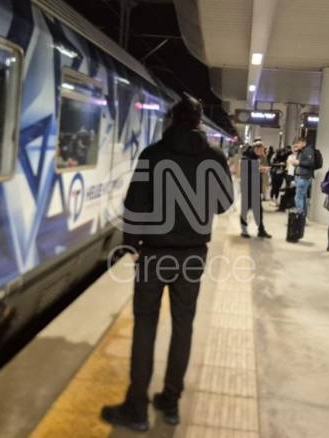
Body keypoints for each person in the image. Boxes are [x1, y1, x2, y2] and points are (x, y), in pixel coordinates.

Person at [101, 96, 234, 431]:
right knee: (183, 325)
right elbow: (222, 206)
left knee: (145, 326)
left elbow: (134, 205)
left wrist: (131, 246)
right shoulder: (214, 158)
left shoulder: (154, 154)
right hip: (192, 255)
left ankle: (136, 408)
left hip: (153, 254)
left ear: (172, 120)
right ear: (199, 122)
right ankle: (171, 402)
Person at [240, 140, 272, 238]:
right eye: (261, 150)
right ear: (256, 149)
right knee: (246, 209)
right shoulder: (247, 157)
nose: (263, 153)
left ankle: (261, 230)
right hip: (248, 187)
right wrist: (260, 169)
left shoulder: (256, 157)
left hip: (255, 187)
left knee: (259, 210)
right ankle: (244, 230)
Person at [288, 138, 314, 221]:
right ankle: (303, 216)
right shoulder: (300, 152)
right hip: (299, 176)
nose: (296, 146)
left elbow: (310, 163)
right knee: (303, 197)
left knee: (298, 197)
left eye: (297, 144)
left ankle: (300, 217)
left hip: (304, 177)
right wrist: (295, 164)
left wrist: (298, 163)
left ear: (303, 143)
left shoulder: (308, 150)